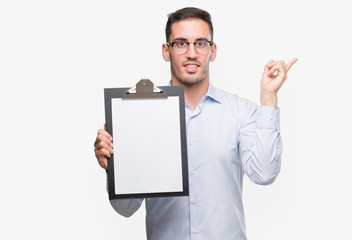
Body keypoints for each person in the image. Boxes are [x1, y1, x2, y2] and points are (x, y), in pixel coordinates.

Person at [94, 7, 297, 240]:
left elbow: (264, 174)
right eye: (181, 43)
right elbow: (126, 209)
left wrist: (268, 98)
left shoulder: (241, 113)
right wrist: (114, 167)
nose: (191, 53)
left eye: (200, 43)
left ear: (213, 50)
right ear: (165, 51)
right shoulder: (136, 115)